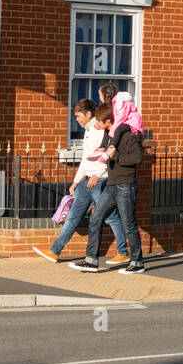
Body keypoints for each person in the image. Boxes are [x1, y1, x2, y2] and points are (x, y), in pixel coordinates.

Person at [33, 99, 129, 264]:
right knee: (72, 217)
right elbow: (85, 159)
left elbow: (106, 154)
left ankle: (123, 252)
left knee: (110, 217)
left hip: (99, 182)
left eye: (79, 116)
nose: (76, 120)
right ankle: (54, 251)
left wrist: (98, 174)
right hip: (86, 183)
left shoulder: (99, 130)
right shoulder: (88, 130)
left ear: (88, 114)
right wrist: (76, 181)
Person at [69, 98, 147, 274]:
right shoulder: (110, 136)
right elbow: (103, 152)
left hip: (125, 186)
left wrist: (114, 157)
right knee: (95, 219)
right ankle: (91, 261)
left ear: (109, 121)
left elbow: (137, 158)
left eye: (99, 121)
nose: (96, 123)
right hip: (112, 185)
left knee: (129, 224)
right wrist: (101, 154)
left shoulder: (129, 136)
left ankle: (137, 262)